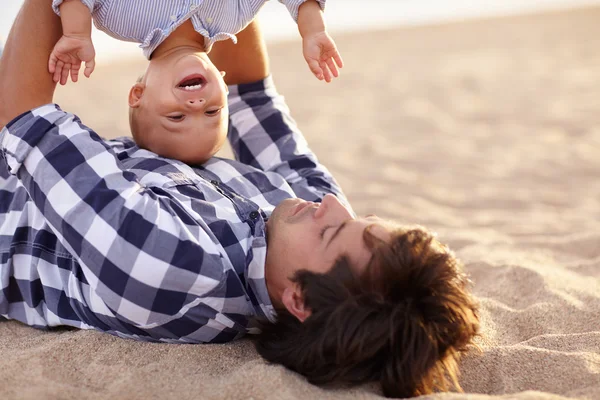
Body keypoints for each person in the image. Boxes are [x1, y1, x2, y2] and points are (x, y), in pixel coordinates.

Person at [0, 0, 480, 398]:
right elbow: (252, 94)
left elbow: (26, 119)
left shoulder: (174, 267)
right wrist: (209, 19)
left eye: (335, 229)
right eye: (362, 218)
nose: (333, 206)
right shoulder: (307, 223)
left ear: (299, 300)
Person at [47, 0, 343, 164]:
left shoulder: (119, 20)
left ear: (138, 94)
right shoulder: (234, 16)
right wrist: (313, 29)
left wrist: (75, 33)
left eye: (177, 117)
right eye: (213, 112)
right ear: (224, 87)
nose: (197, 104)